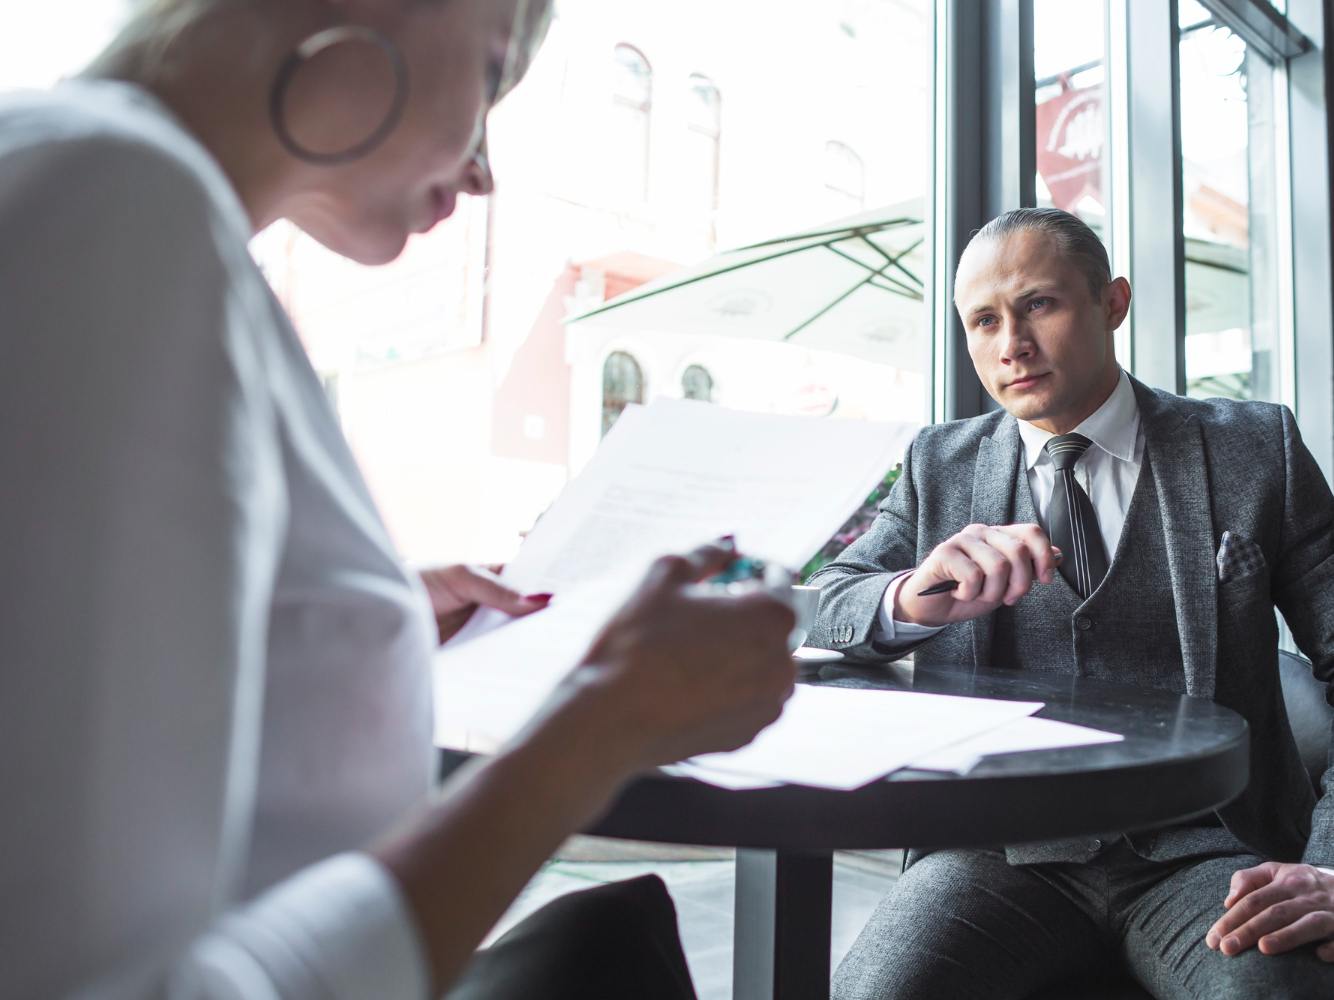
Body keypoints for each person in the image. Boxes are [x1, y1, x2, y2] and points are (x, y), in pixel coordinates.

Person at [0, 2, 796, 998]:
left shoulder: (101, 188)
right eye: (493, 73)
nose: (483, 168)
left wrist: (337, 618)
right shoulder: (117, 203)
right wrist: (600, 728)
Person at [808, 208, 1334, 1000]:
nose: (1012, 344)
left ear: (1113, 302)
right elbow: (827, 602)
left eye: (1039, 304)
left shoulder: (1253, 449)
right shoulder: (938, 463)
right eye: (984, 321)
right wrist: (908, 595)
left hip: (1211, 850)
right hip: (997, 851)